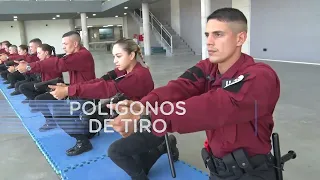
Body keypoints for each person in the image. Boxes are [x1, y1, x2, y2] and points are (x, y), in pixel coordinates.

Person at [108, 8, 280, 180]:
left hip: (252, 173)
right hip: (218, 169)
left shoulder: (260, 76)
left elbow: (216, 107)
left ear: (240, 38)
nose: (209, 42)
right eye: (207, 35)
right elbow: (180, 87)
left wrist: (149, 118)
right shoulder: (208, 68)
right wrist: (142, 106)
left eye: (218, 34)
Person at [48, 38, 178, 160]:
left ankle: (165, 145)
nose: (115, 60)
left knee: (136, 163)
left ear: (131, 55)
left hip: (140, 117)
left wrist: (68, 91)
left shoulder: (137, 75)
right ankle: (86, 136)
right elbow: (100, 81)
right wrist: (69, 87)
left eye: (118, 56)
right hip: (125, 106)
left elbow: (105, 89)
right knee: (89, 115)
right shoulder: (123, 69)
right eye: (114, 56)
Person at [16, 31, 96, 156]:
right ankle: (88, 129)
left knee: (60, 114)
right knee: (82, 125)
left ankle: (83, 141)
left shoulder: (82, 55)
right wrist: (67, 87)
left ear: (75, 43)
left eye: (65, 43)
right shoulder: (77, 54)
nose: (63, 46)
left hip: (85, 97)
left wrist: (29, 67)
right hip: (79, 94)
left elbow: (58, 64)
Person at [19, 44, 62, 109]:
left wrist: (27, 67)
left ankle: (48, 116)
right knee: (22, 87)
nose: (37, 55)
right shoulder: (44, 61)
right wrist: (25, 68)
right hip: (44, 83)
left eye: (39, 53)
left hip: (51, 86)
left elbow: (37, 67)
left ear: (46, 53)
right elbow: (35, 68)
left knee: (38, 99)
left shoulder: (51, 61)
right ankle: (37, 103)